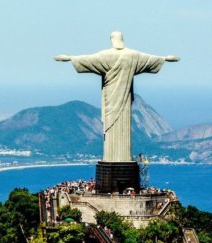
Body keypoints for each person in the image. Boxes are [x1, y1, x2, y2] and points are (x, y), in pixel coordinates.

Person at [55, 32, 179, 162]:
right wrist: (165, 58)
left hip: (110, 99)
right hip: (125, 99)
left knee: (110, 128)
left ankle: (112, 158)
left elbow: (88, 59)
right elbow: (149, 59)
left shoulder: (105, 55)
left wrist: (70, 58)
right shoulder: (132, 55)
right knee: (120, 127)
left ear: (112, 40)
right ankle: (122, 158)